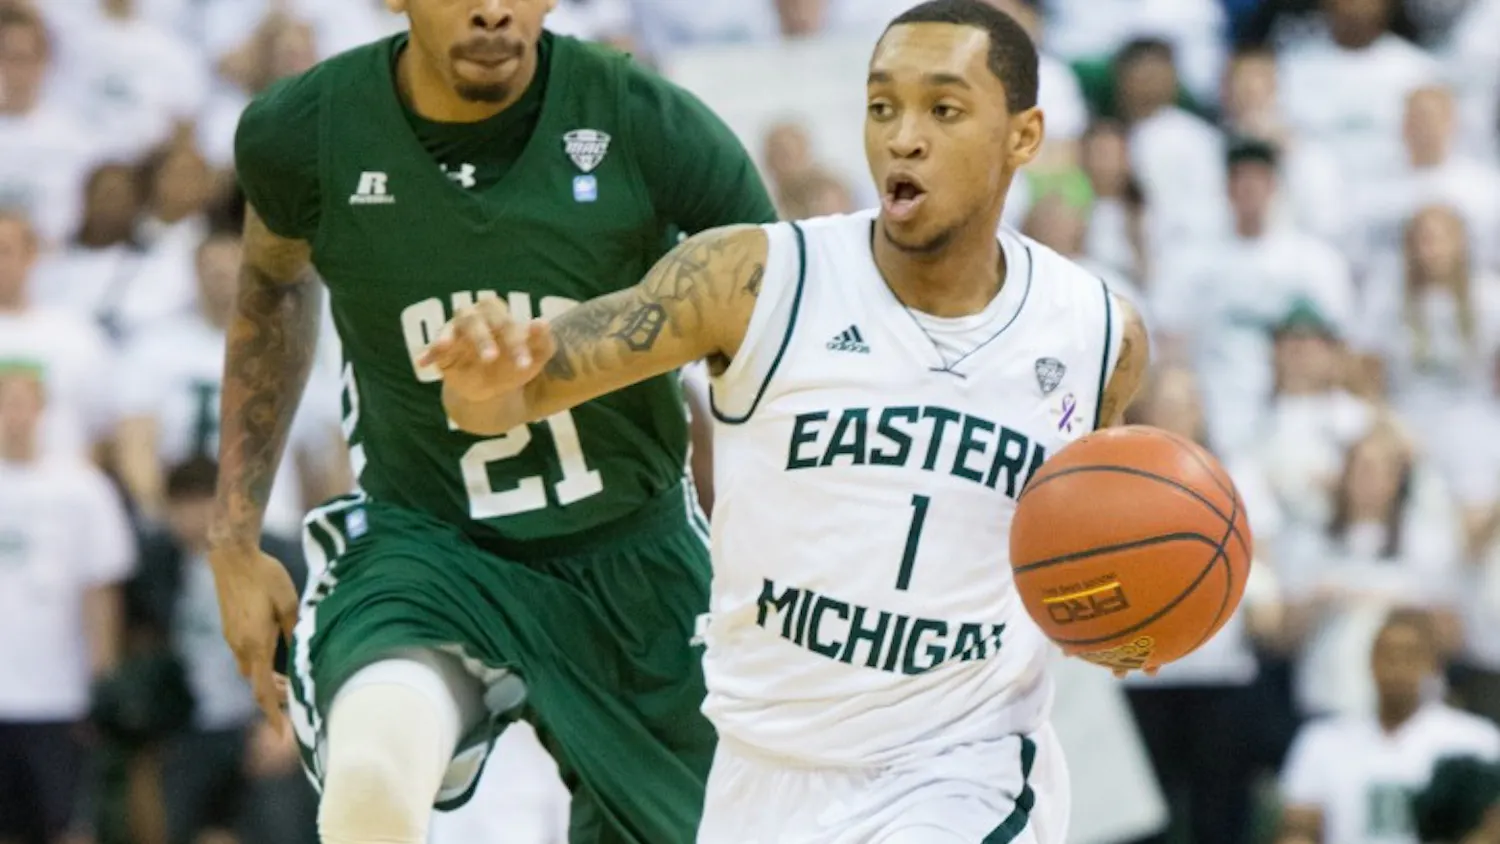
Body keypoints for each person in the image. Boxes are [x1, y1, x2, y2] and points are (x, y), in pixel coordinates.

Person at [426, 1, 1150, 839]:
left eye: (943, 109)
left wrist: (1120, 618)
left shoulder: (1097, 333)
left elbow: (1089, 551)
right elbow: (500, 402)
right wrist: (484, 373)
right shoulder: (754, 280)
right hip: (762, 774)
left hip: (963, 770)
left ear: (1024, 137)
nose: (903, 138)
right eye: (882, 106)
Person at [207, 1, 776, 843]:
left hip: (634, 557)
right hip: (428, 545)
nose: (491, 10)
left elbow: (781, 328)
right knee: (372, 784)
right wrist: (233, 539)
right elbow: (274, 284)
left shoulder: (647, 121)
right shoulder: (307, 131)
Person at [1277, 609, 1500, 844]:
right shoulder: (1322, 740)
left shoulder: (1475, 741)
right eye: (1387, 654)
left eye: (1409, 656)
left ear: (1432, 664)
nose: (1396, 666)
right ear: (1370, 661)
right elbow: (1298, 830)